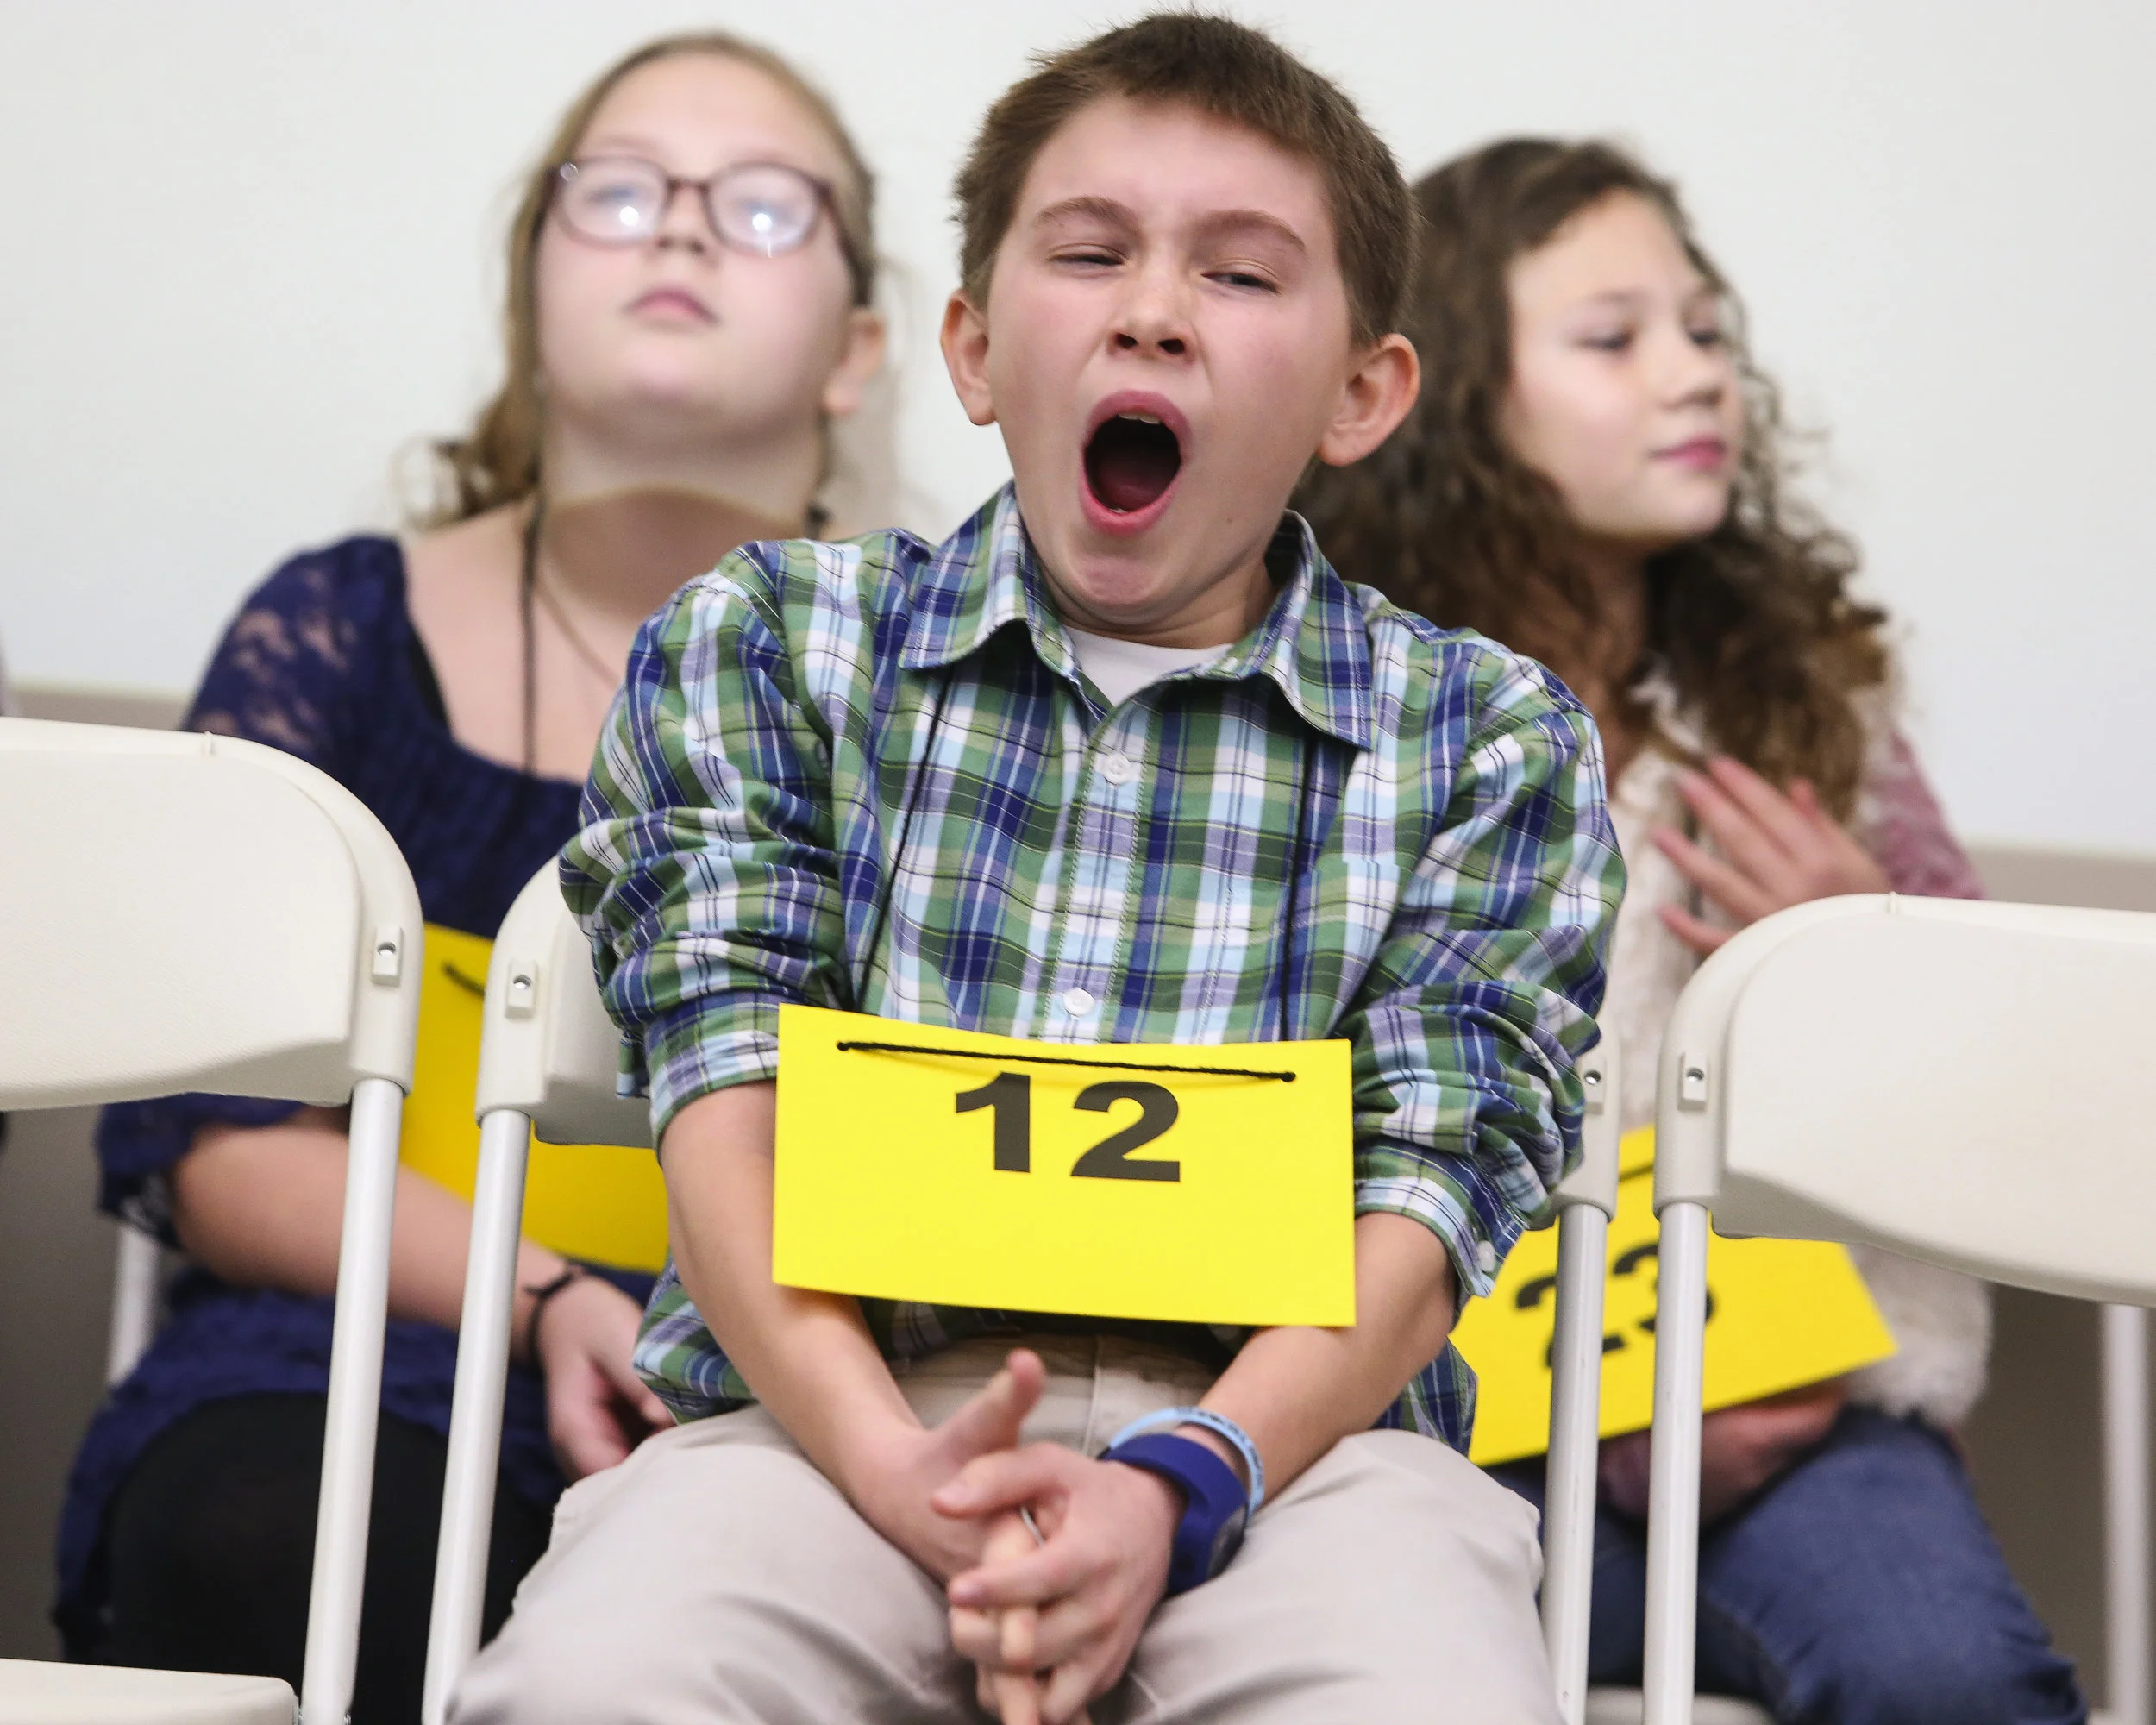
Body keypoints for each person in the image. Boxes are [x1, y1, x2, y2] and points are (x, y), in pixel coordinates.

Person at [452, 16, 1624, 1725]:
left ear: (1360, 393)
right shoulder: (772, 643)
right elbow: (725, 1090)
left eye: (1237, 275)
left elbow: (1432, 1182)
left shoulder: (1486, 737)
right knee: (595, 1681)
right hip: (825, 1408)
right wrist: (888, 1463)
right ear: (979, 346)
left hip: (1290, 1455)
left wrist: (1179, 1479)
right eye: (1088, 253)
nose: (1149, 307)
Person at [58, 34, 886, 1720]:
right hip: (360, 1367)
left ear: (859, 352)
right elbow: (216, 1138)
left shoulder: (952, 708)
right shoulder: (341, 632)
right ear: (530, 292)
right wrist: (551, 1301)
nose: (679, 236)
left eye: (759, 205)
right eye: (620, 192)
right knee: (286, 1543)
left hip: (799, 1405)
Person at [1297, 137, 2084, 1724]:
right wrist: (1562, 1400)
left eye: (1707, 332)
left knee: (1951, 1682)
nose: (1694, 377)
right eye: (1614, 338)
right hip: (1421, 1419)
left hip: (1804, 1429)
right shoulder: (1338, 718)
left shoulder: (1819, 722)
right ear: (1455, 398)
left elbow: (2025, 1111)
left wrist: (1854, 973)